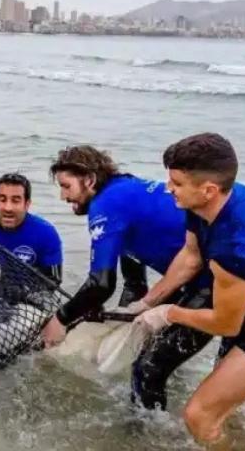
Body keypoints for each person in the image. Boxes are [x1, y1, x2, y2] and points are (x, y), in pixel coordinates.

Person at [133, 133, 245, 445]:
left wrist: (170, 313)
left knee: (199, 415)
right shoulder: (203, 204)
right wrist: (148, 302)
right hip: (244, 310)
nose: (168, 188)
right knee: (223, 410)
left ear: (209, 190)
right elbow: (191, 258)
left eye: (176, 182)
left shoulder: (237, 247)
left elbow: (225, 323)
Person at [39, 145, 214, 411]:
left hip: (216, 284)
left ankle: (147, 436)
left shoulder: (106, 205)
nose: (63, 196)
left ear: (89, 180)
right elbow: (134, 284)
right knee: (157, 354)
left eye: (66, 186)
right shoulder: (124, 191)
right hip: (196, 279)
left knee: (147, 370)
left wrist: (60, 320)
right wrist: (113, 318)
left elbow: (101, 284)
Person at [0, 173, 63, 282]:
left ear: (27, 204)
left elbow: (53, 281)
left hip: (25, 295)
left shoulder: (46, 234)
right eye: (2, 200)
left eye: (15, 201)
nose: (8, 208)